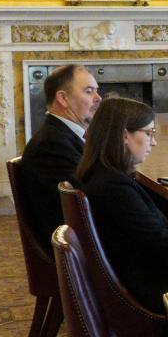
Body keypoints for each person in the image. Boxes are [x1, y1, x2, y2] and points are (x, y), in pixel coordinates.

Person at [75, 97, 168, 314]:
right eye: (149, 133)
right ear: (125, 135)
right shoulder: (114, 188)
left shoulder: (99, 174)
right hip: (151, 290)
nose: (153, 142)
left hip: (136, 277)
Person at [19, 64, 101, 252]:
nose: (98, 98)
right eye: (89, 92)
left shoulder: (63, 136)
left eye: (97, 91)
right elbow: (91, 198)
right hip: (80, 248)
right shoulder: (51, 145)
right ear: (63, 98)